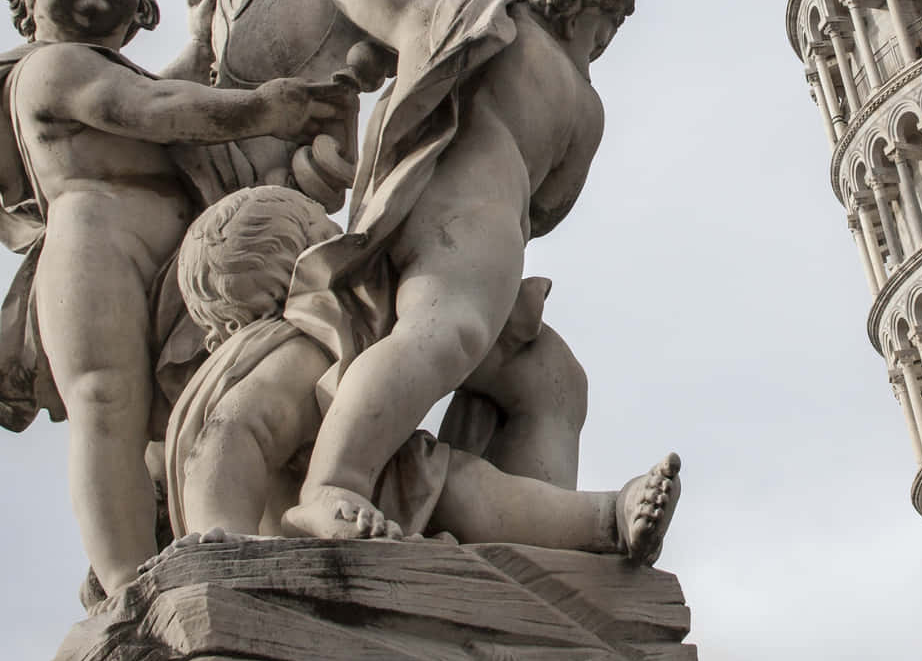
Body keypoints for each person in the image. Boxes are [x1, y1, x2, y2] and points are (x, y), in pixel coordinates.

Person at [0, 0, 355, 596]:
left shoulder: (108, 68)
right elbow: (154, 109)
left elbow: (159, 88)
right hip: (93, 253)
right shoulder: (49, 66)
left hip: (168, 265)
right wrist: (262, 108)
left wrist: (203, 35)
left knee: (154, 425)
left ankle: (180, 533)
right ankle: (122, 580)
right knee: (108, 406)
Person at [277, 0, 634, 541]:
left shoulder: (452, 20)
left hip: (452, 222)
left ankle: (532, 534)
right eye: (600, 33)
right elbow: (552, 202)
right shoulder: (569, 90)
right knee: (444, 332)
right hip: (474, 222)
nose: (599, 50)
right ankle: (336, 481)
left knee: (552, 381)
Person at [163, 185, 677, 561]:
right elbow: (232, 432)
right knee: (467, 489)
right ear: (306, 261)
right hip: (306, 514)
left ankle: (610, 516)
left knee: (470, 488)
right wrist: (220, 531)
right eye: (326, 230)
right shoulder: (297, 345)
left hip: (388, 481)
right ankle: (607, 519)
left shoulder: (339, 332)